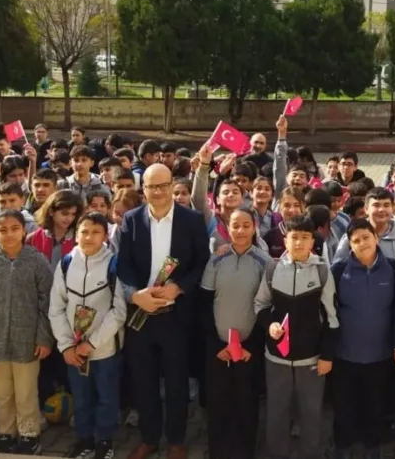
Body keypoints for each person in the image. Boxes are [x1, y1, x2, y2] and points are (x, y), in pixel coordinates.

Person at [115, 163, 210, 459]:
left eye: (163, 185)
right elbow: (124, 264)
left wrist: (179, 287)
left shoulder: (191, 220)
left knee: (177, 382)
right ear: (143, 190)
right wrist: (134, 295)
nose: (158, 192)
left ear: (172, 186)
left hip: (176, 316)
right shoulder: (131, 220)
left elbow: (201, 263)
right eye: (151, 187)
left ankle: (176, 439)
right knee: (143, 381)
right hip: (141, 316)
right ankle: (149, 438)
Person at [0, 209, 54, 455]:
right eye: (2, 230)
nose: (9, 234)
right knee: (2, 393)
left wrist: (44, 337)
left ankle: (29, 434)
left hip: (27, 341)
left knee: (26, 392)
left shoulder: (36, 261)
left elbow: (47, 302)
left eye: (14, 228)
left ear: (24, 230)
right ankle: (6, 432)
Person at [255, 215, 339, 459]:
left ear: (312, 240)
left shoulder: (322, 271)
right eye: (294, 238)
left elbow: (332, 317)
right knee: (276, 413)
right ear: (285, 239)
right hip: (276, 358)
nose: (299, 243)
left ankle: (311, 453)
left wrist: (326, 355)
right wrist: (270, 325)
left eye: (305, 238)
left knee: (311, 414)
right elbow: (260, 303)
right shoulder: (272, 268)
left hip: (311, 360)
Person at [49, 212, 127, 459]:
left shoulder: (114, 264)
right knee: (80, 399)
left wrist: (92, 343)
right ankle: (84, 440)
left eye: (96, 232)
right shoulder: (66, 263)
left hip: (104, 350)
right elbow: (56, 308)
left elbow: (118, 311)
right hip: (74, 351)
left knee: (106, 398)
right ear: (76, 234)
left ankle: (104, 440)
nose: (89, 237)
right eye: (84, 231)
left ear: (105, 235)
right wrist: (66, 346)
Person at [200, 207, 270, 459]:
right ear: (227, 228)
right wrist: (214, 344)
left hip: (249, 348)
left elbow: (268, 308)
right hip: (218, 349)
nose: (240, 231)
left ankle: (244, 451)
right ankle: (217, 451)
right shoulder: (216, 259)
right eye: (235, 225)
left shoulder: (265, 261)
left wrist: (251, 346)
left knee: (246, 403)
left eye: (246, 225)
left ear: (254, 227)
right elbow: (205, 303)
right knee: (218, 403)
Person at [330, 219, 395, 459]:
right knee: (344, 406)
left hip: (381, 355)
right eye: (355, 241)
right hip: (345, 354)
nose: (362, 243)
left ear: (376, 238)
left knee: (375, 405)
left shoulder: (393, 268)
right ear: (349, 245)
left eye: (366, 238)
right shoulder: (338, 270)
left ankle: (372, 447)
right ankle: (342, 447)